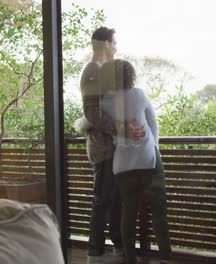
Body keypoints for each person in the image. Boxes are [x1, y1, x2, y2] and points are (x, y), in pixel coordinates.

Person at [77, 27, 144, 264]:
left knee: (114, 199)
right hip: (102, 148)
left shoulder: (103, 71)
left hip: (112, 147)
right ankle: (94, 252)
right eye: (114, 43)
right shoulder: (93, 71)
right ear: (106, 43)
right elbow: (93, 113)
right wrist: (123, 129)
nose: (116, 47)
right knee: (102, 199)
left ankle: (116, 245)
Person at [99, 59, 175, 264]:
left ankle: (130, 258)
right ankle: (166, 258)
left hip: (123, 165)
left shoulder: (104, 101)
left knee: (128, 213)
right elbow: (153, 125)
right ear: (130, 75)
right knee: (159, 212)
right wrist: (153, 148)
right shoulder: (139, 94)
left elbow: (86, 122)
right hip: (149, 161)